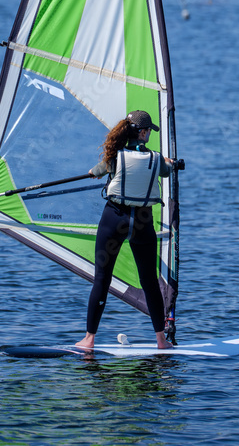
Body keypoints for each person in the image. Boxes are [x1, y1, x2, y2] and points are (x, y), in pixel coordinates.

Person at [75, 110, 176, 350]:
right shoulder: (157, 159)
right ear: (142, 133)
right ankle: (161, 341)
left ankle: (89, 340)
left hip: (115, 219)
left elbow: (97, 171)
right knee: (150, 281)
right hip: (142, 223)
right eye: (149, 130)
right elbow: (166, 170)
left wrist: (93, 172)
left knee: (102, 278)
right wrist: (171, 164)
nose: (150, 133)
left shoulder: (114, 158)